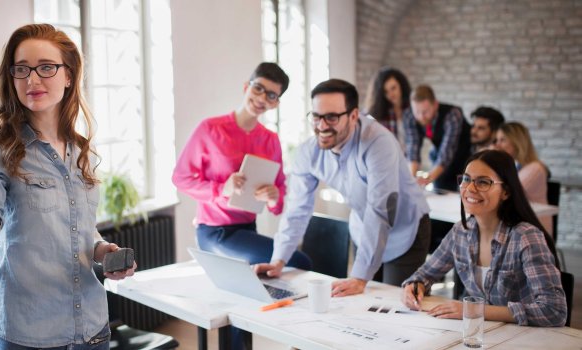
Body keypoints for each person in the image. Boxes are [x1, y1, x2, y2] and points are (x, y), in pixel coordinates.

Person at [0, 24, 136, 349]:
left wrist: (101, 250)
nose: (32, 80)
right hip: (28, 336)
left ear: (68, 74)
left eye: (46, 67)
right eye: (22, 70)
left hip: (92, 331)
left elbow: (78, 230)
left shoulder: (80, 151)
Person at [255, 79, 431, 296]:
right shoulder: (308, 152)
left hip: (405, 229)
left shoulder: (378, 143)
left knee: (397, 305)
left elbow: (380, 210)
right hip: (363, 227)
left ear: (354, 115)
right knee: (360, 304)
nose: (322, 126)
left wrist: (359, 277)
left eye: (331, 117)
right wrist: (278, 260)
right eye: (317, 117)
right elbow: (297, 210)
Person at [401, 150, 566, 327]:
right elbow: (425, 274)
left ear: (506, 192)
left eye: (483, 182)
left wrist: (474, 310)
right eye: (466, 179)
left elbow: (554, 310)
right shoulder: (461, 231)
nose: (470, 188)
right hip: (476, 334)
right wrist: (414, 286)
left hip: (519, 338)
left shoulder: (526, 237)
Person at [172, 62, 311, 269]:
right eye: (258, 89)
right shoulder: (210, 129)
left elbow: (280, 193)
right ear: (247, 87)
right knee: (299, 262)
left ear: (275, 104)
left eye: (271, 95)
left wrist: (273, 198)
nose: (262, 98)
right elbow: (180, 178)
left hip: (248, 229)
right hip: (214, 231)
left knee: (278, 272)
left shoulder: (270, 140)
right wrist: (221, 189)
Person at [404, 85, 471, 192]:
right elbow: (413, 148)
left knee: (464, 194)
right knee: (440, 191)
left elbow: (447, 151)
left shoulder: (453, 114)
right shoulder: (409, 116)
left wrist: (429, 178)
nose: (421, 116)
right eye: (417, 112)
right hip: (440, 160)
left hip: (465, 158)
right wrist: (411, 180)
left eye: (425, 112)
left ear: (435, 105)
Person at [494, 122, 552, 235]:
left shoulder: (536, 168)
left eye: (503, 140)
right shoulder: (514, 166)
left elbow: (505, 194)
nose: (497, 145)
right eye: (497, 140)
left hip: (534, 231)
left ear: (517, 142)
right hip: (515, 225)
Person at [364, 67, 411, 147]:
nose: (391, 94)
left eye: (393, 88)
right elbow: (364, 116)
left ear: (401, 85)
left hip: (408, 158)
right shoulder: (378, 112)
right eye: (386, 92)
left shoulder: (411, 109)